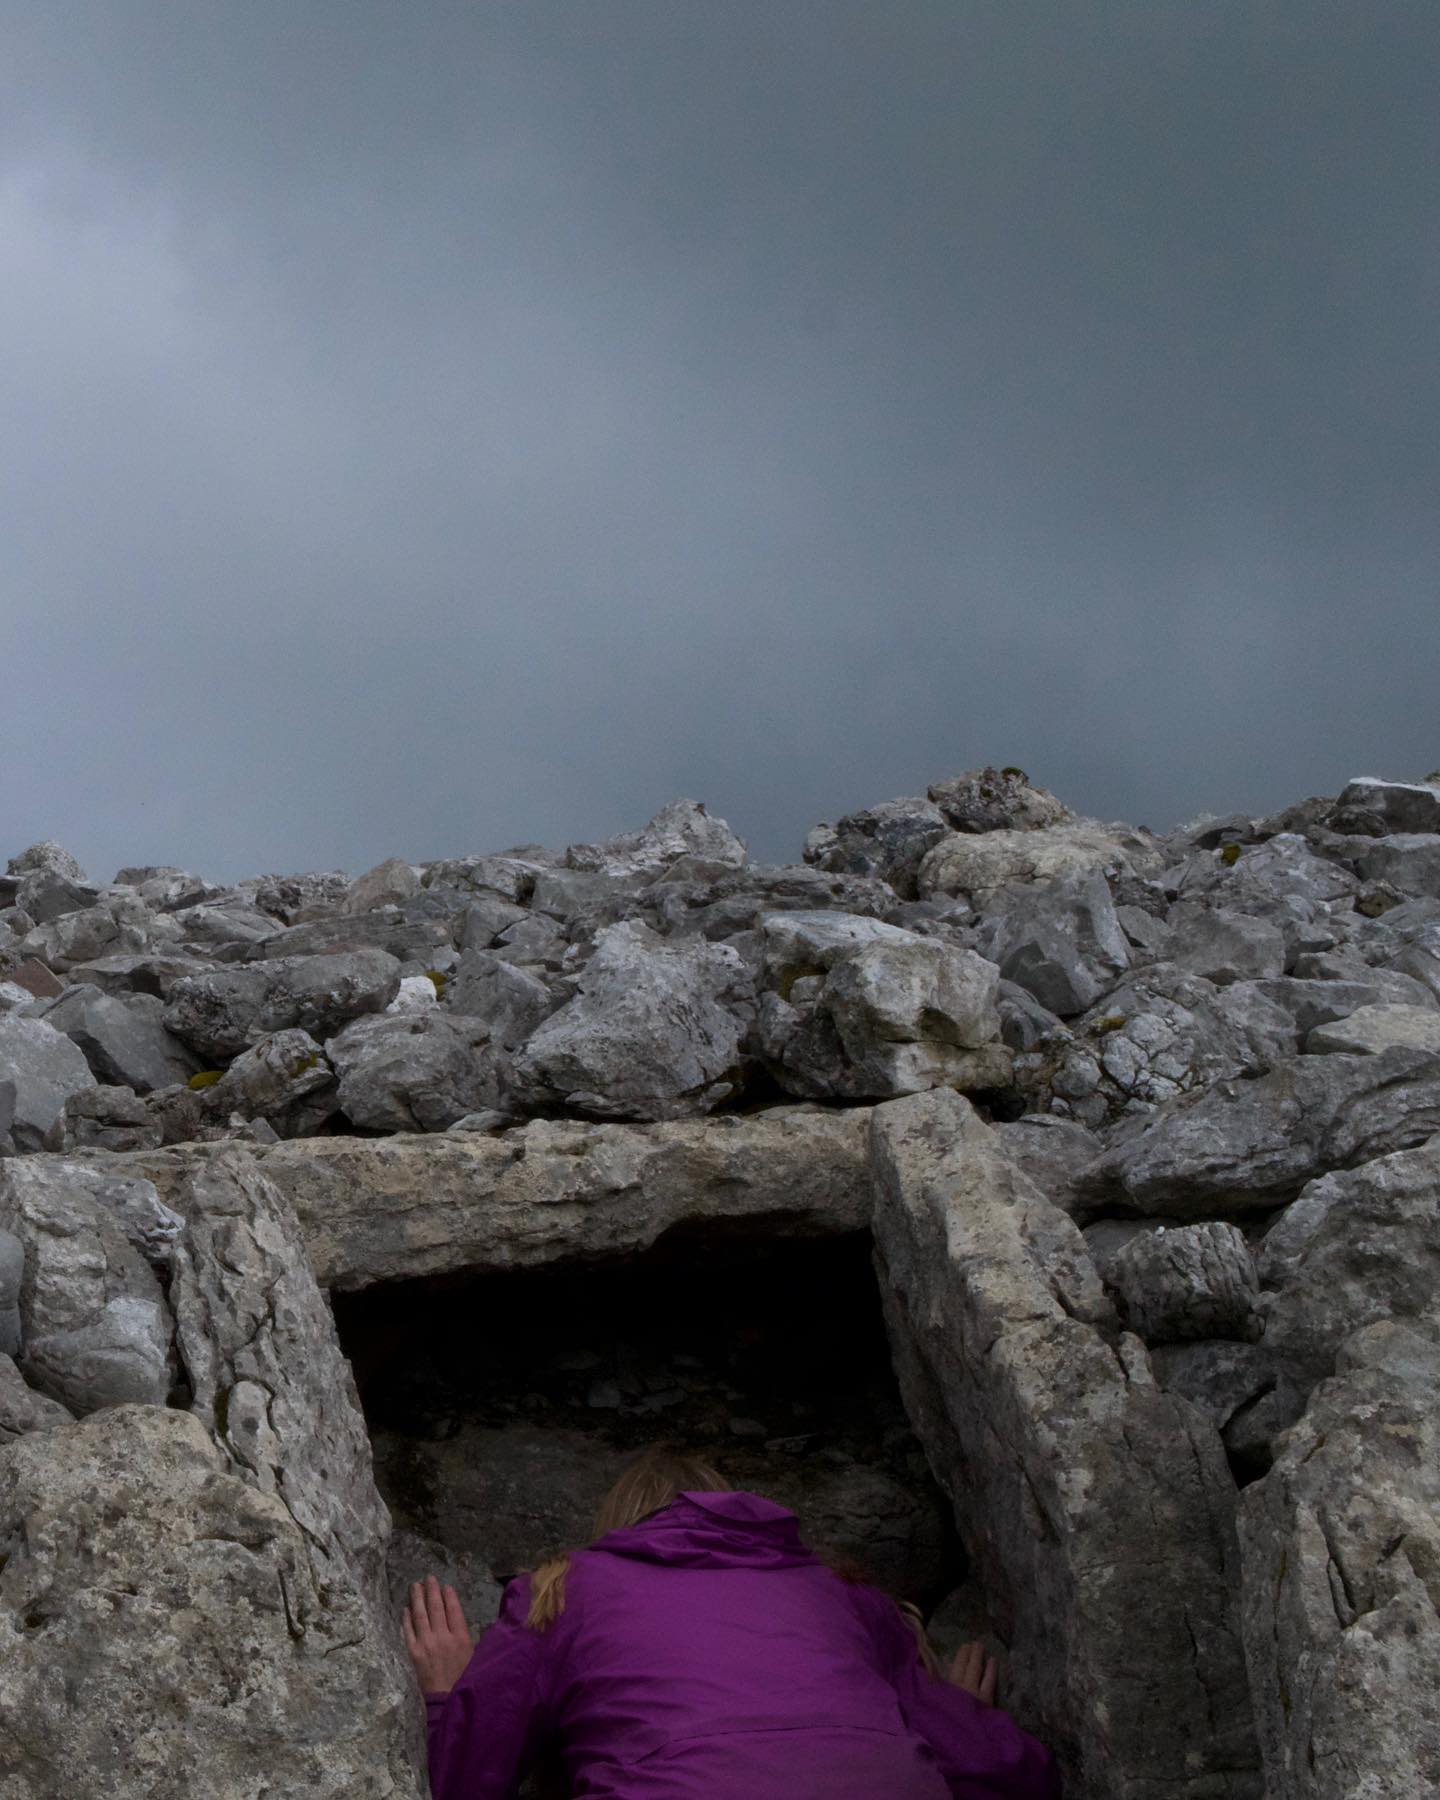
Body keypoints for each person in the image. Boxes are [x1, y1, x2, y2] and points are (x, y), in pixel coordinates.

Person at [404, 1447, 1061, 1798]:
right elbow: (1014, 1774)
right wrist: (967, 1720)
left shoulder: (564, 1588)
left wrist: (444, 1697)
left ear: (617, 1527)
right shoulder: (841, 1595)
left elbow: (463, 1781)